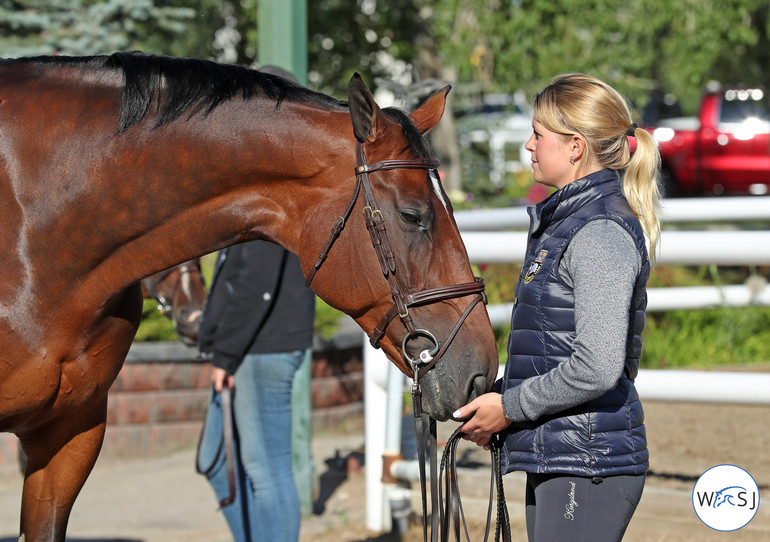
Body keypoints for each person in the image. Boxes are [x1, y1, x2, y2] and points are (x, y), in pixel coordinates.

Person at [454, 73, 661, 542]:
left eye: (538, 134)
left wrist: (509, 407)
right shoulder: (567, 224)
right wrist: (496, 402)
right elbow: (555, 350)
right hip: (567, 454)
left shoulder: (599, 233)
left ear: (574, 146)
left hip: (587, 462)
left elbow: (599, 365)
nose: (528, 145)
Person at [196, 240, 315, 542]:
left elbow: (257, 284)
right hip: (244, 350)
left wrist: (225, 353)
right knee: (217, 463)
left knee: (269, 470)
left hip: (260, 349)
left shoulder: (268, 198)